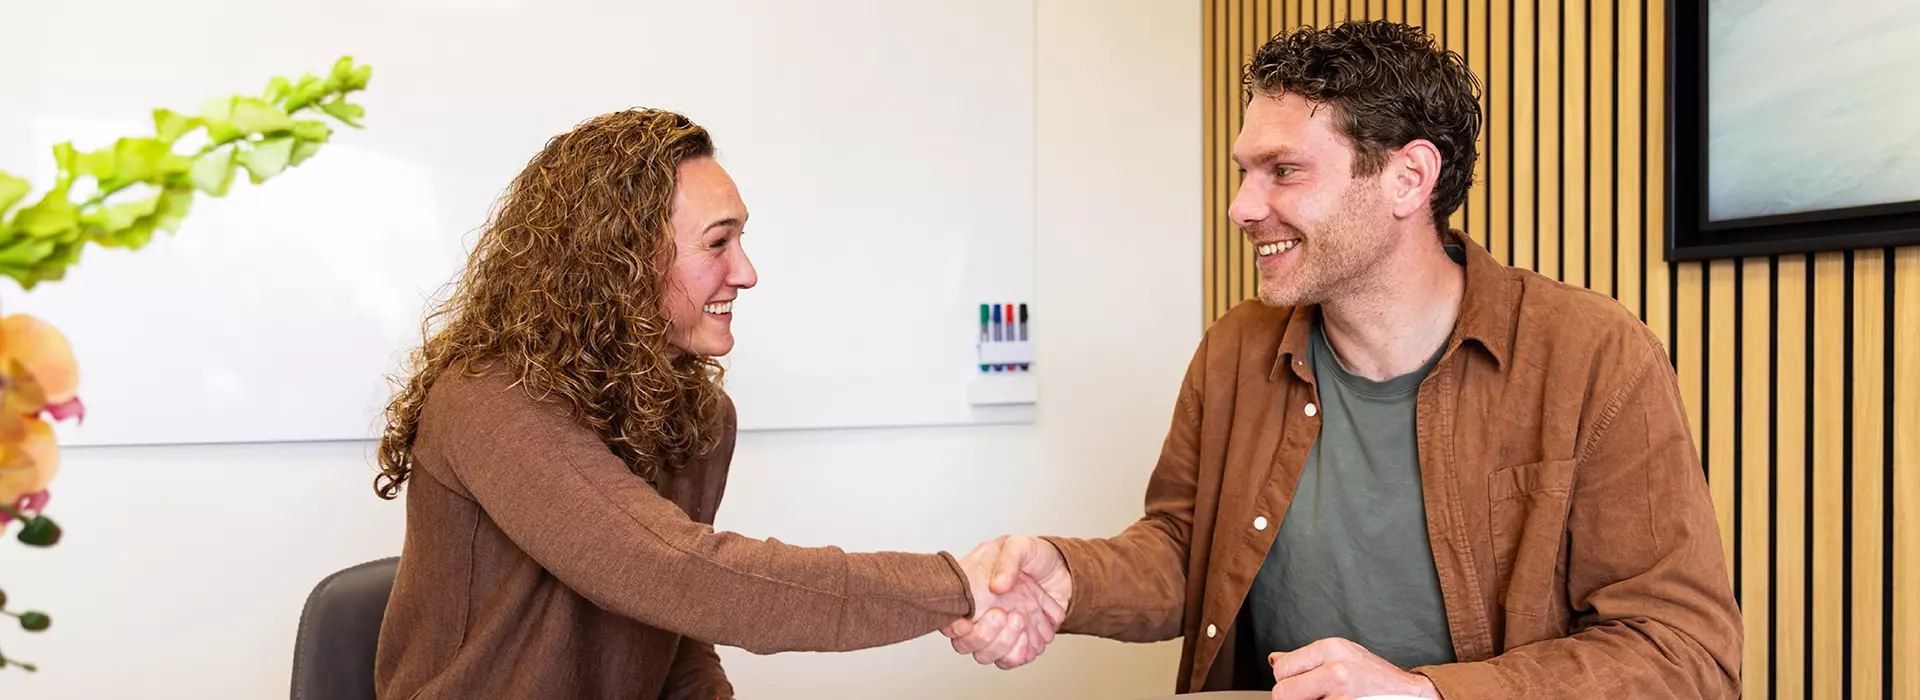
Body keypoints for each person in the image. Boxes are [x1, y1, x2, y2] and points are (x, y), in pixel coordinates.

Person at [944, 20, 1742, 699]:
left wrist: (1428, 693)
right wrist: (1067, 577)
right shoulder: (1236, 348)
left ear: (1408, 178)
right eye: (1245, 172)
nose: (1242, 208)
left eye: (1283, 170)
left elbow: (1682, 650)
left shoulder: (1591, 355)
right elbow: (1192, 554)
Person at [369, 108, 1059, 700]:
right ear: (621, 261)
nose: (747, 272)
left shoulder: (696, 420)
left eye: (742, 239)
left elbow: (666, 629)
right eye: (717, 243)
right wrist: (954, 586)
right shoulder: (490, 402)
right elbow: (676, 572)